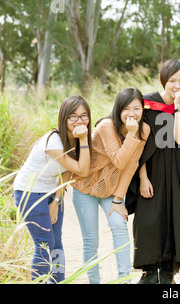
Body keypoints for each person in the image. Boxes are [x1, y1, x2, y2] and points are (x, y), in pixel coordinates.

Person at [125, 59, 180, 284]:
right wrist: (142, 177)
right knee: (148, 218)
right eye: (172, 81)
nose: (177, 85)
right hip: (151, 171)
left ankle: (169, 271)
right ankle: (149, 271)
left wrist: (179, 107)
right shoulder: (146, 104)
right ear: (163, 81)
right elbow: (139, 143)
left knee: (174, 218)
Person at [71, 87, 150, 284]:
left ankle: (125, 280)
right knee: (91, 240)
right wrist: (131, 134)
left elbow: (131, 165)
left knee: (119, 226)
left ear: (143, 109)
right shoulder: (107, 126)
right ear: (118, 109)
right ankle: (94, 282)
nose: (132, 114)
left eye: (137, 108)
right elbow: (119, 161)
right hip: (85, 186)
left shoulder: (144, 130)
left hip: (111, 190)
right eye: (126, 109)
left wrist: (117, 199)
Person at [13, 95, 92, 283]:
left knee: (56, 242)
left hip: (51, 191)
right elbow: (83, 169)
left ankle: (58, 280)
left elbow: (67, 172)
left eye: (84, 116)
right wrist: (83, 139)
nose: (79, 121)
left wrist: (56, 201)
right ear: (64, 118)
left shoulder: (76, 140)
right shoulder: (54, 142)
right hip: (28, 192)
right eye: (73, 117)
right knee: (45, 244)